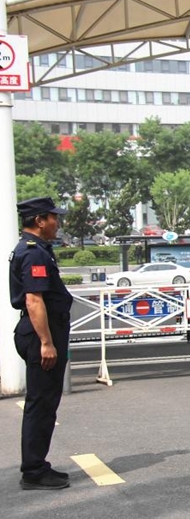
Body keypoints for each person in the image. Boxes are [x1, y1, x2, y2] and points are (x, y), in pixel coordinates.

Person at [9, 197, 74, 491]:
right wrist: (47, 342)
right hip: (40, 335)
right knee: (41, 404)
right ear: (39, 220)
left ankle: (37, 465)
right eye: (52, 217)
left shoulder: (36, 249)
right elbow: (34, 301)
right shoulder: (34, 252)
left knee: (44, 403)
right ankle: (34, 470)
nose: (56, 223)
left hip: (41, 332)